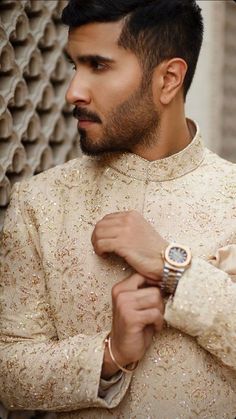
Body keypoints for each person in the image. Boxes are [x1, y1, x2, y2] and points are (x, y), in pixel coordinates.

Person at [0, 0, 236, 418]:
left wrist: (177, 272)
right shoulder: (40, 204)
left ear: (168, 80)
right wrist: (109, 353)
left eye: (98, 66)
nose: (74, 90)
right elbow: (8, 374)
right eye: (75, 65)